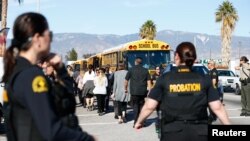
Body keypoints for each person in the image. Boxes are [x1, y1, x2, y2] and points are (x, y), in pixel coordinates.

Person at [2, 12, 95, 141]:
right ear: (37, 39)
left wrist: (61, 70)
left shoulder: (16, 72)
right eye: (49, 35)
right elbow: (51, 130)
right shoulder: (32, 77)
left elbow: (66, 106)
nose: (50, 40)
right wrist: (88, 139)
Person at [134, 42, 230, 141]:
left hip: (172, 132)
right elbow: (217, 107)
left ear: (177, 57)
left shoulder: (165, 79)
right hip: (199, 132)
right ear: (194, 58)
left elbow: (150, 106)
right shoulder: (204, 79)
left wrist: (140, 121)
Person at [125, 57, 151, 127]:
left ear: (135, 62)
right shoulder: (145, 70)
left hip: (134, 92)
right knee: (142, 107)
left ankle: (136, 122)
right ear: (141, 63)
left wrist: (125, 89)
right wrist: (149, 90)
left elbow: (126, 81)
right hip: (143, 91)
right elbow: (149, 81)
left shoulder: (131, 70)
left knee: (135, 107)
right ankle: (142, 122)